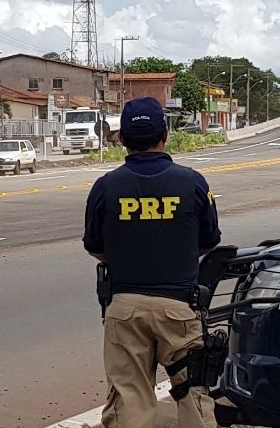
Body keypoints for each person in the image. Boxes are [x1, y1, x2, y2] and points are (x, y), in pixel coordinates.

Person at [83, 97, 221, 428]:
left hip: (125, 309)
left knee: (129, 400)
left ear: (122, 139)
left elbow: (95, 247)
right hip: (179, 309)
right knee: (193, 395)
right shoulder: (193, 182)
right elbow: (209, 241)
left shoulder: (105, 187)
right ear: (165, 134)